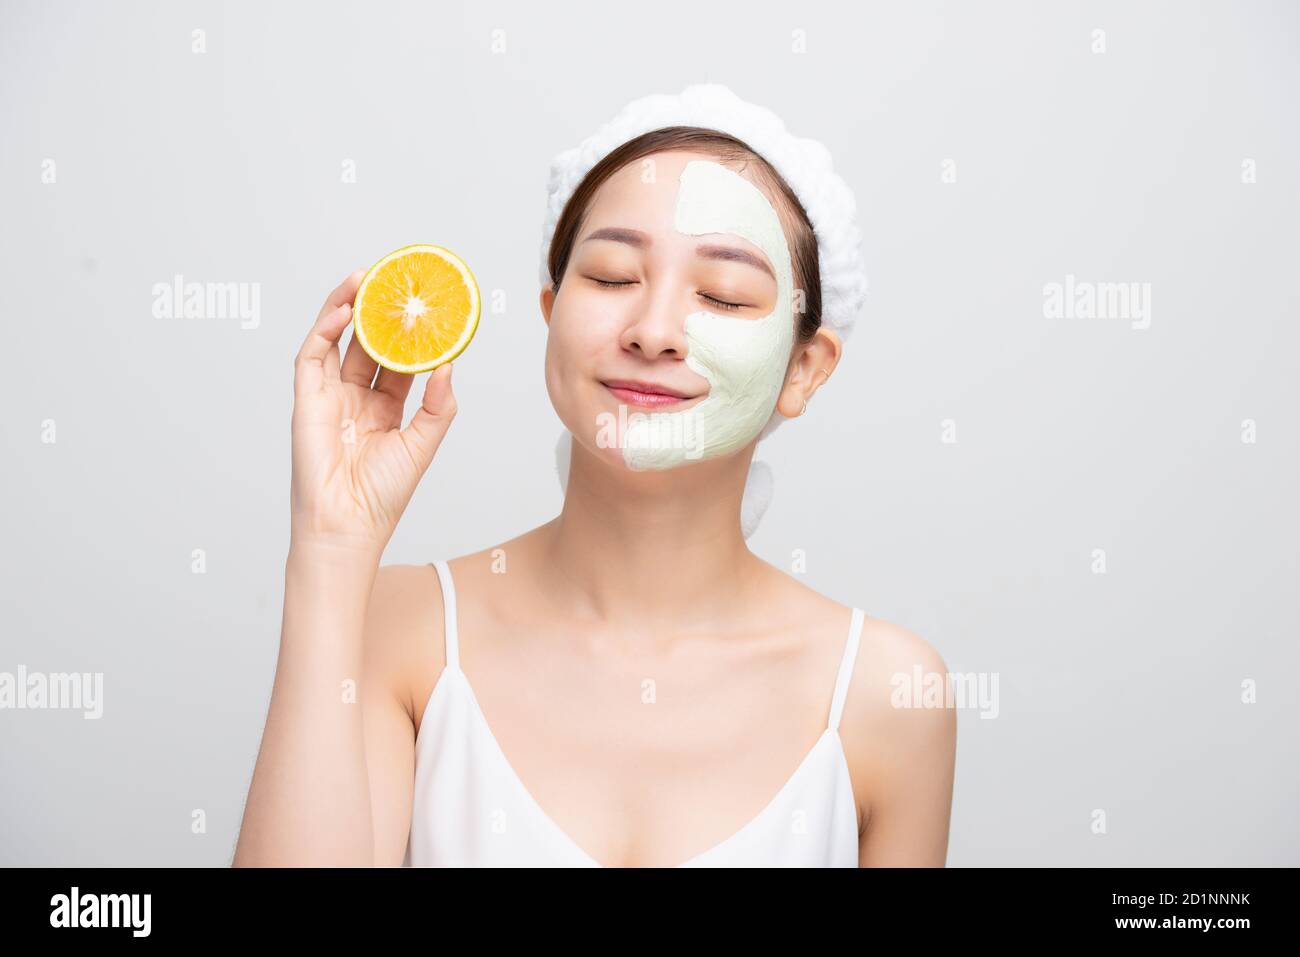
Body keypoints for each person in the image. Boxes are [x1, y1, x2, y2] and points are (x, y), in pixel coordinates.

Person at [234, 84, 956, 868]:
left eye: (724, 294)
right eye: (613, 277)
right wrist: (331, 546)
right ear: (550, 310)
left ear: (804, 368)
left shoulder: (885, 691)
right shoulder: (403, 630)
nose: (651, 332)